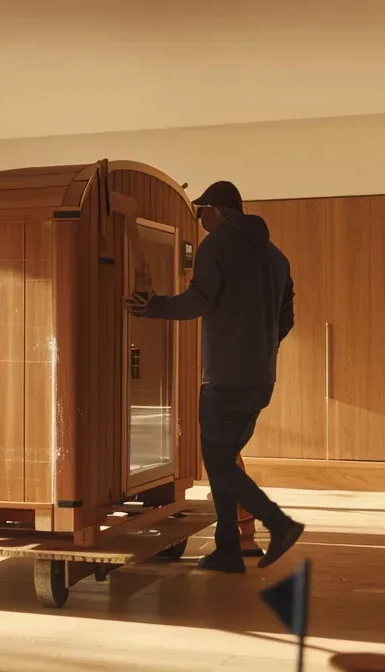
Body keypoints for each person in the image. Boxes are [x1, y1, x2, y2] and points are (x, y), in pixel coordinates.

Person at [126, 180, 304, 573]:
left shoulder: (217, 245)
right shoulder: (276, 257)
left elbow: (197, 301)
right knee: (223, 462)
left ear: (215, 210)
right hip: (261, 379)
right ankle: (229, 550)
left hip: (224, 376)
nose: (198, 218)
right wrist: (261, 346)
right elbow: (287, 318)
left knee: (220, 464)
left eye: (199, 210)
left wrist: (151, 306)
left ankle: (277, 525)